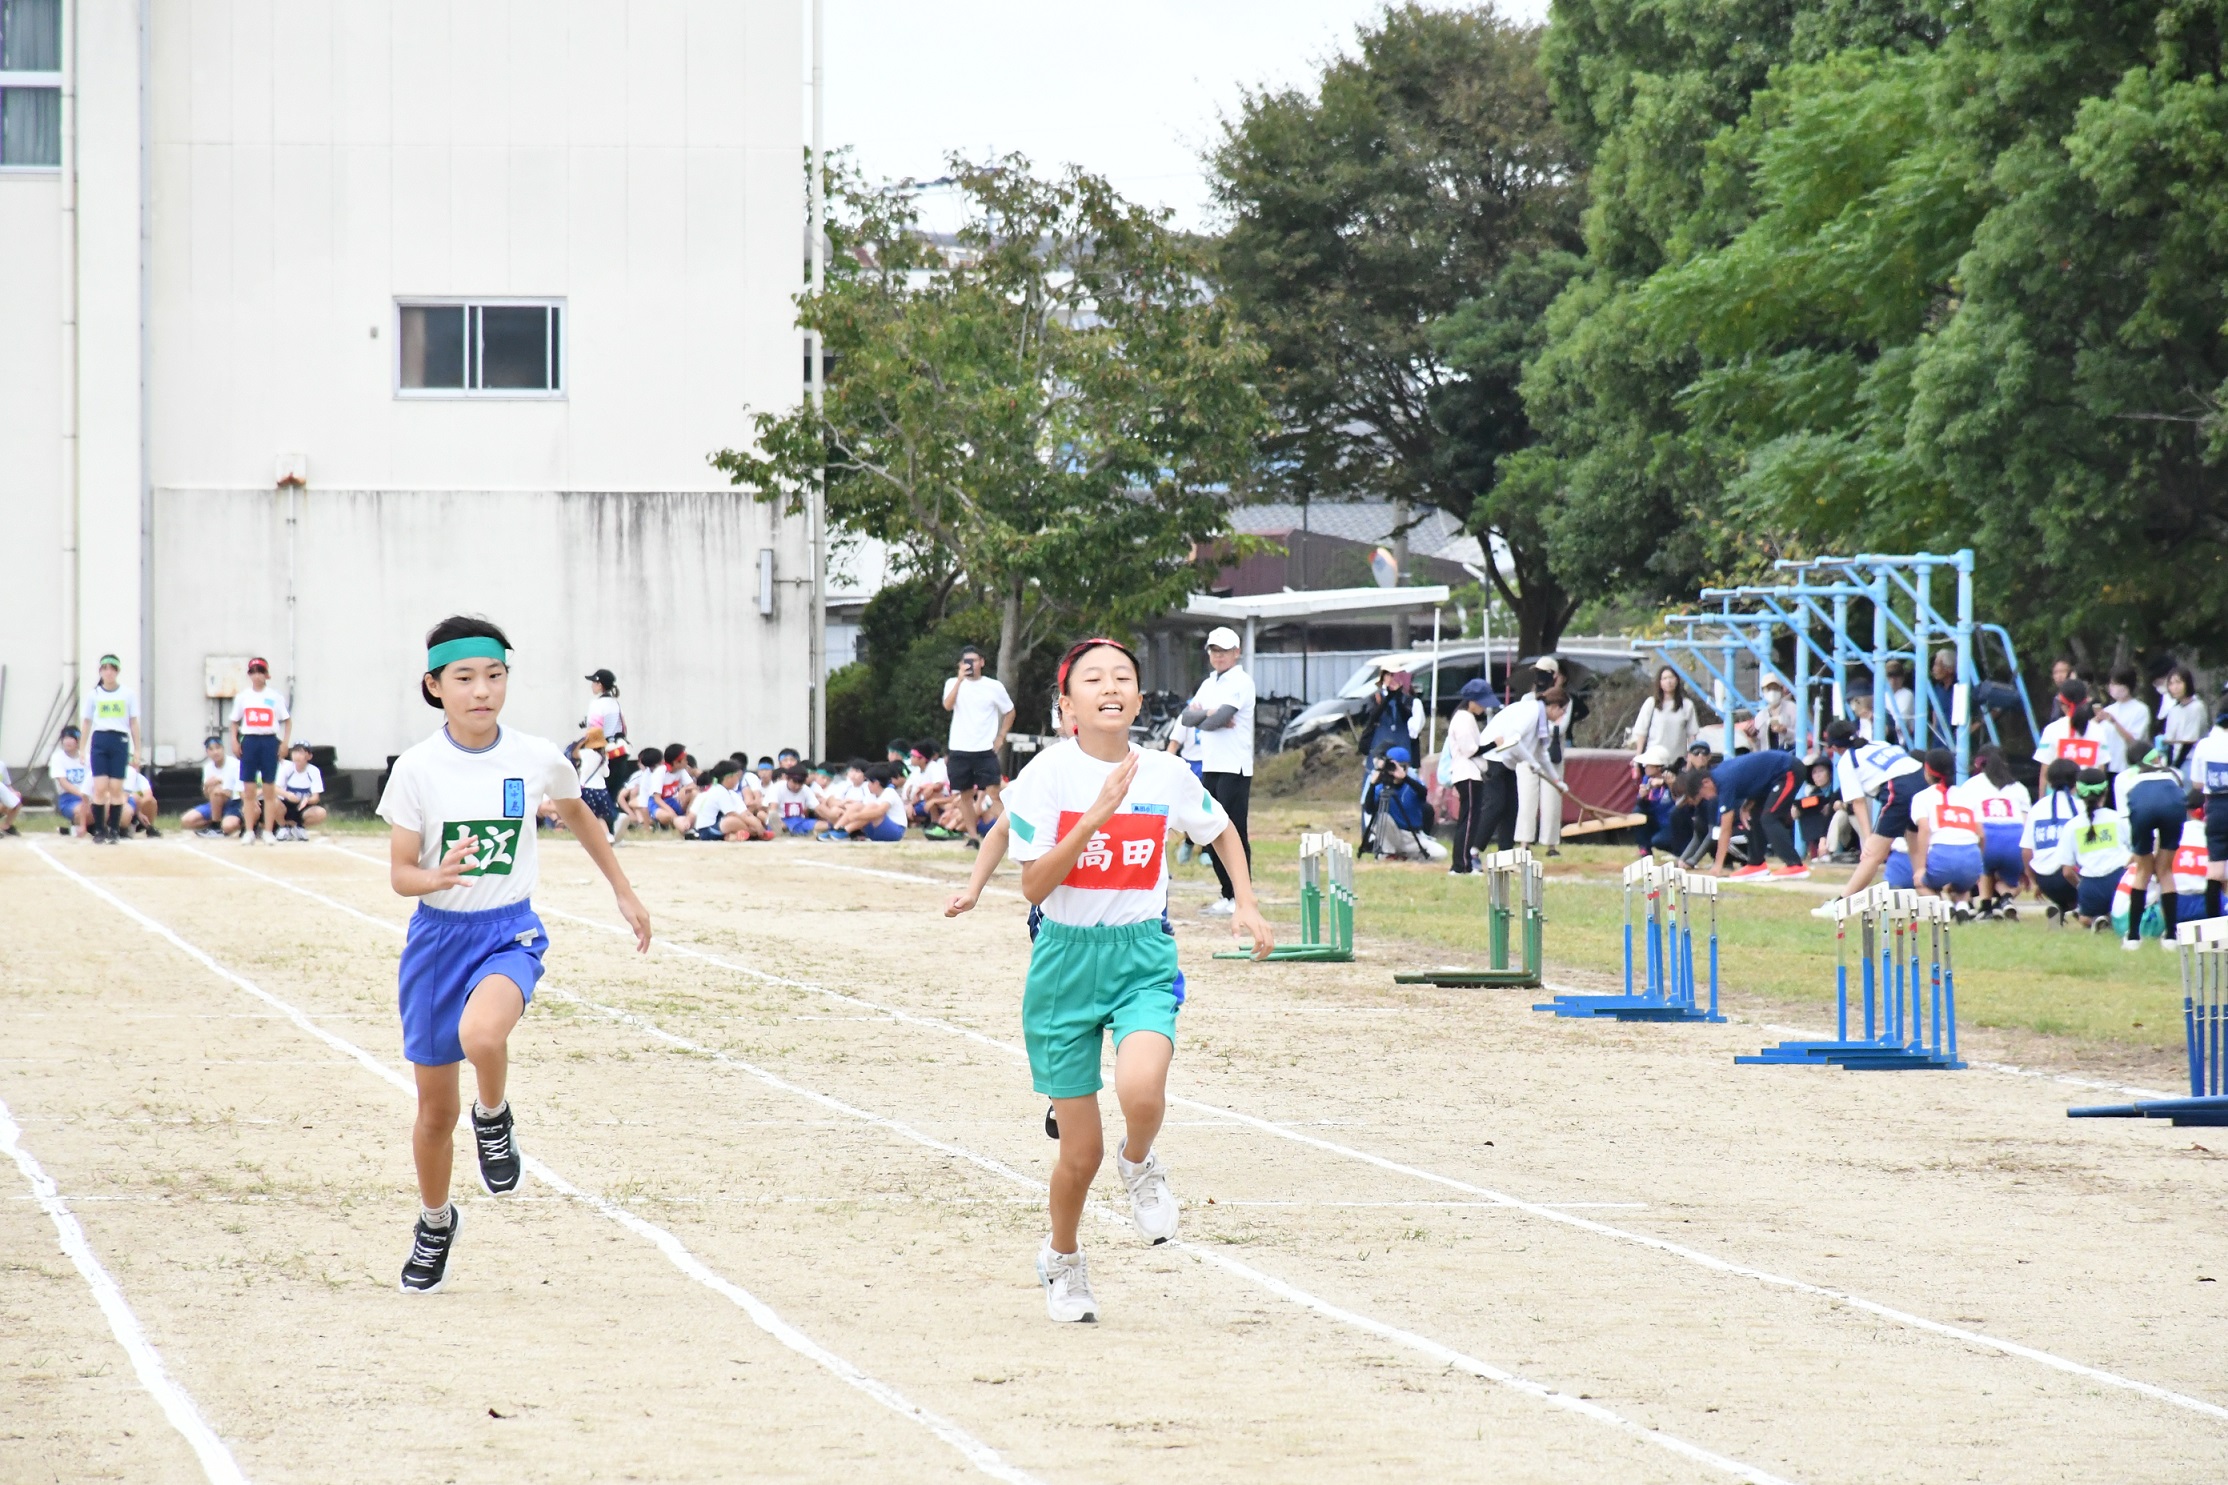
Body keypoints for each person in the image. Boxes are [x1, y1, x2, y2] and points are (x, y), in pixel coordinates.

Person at [998, 638, 1270, 1323]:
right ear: (1068, 706)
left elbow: (1221, 828)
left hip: (1140, 954)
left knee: (1141, 1089)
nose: (1110, 685)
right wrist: (1094, 815)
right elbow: (1033, 881)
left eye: (1123, 676)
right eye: (1093, 678)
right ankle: (1062, 1258)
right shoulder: (1046, 775)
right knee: (1078, 1153)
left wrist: (1245, 900)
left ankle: (1141, 1160)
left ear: (1139, 700)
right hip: (1063, 962)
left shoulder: (1166, 774)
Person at [379, 615, 650, 1295]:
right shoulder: (416, 769)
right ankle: (436, 1220)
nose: (481, 691)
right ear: (434, 685)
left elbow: (580, 813)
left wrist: (623, 890)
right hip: (437, 943)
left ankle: (494, 1116)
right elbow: (401, 873)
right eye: (464, 678)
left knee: (483, 1033)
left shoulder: (534, 756)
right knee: (433, 1113)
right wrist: (434, 877)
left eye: (494, 676)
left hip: (508, 932)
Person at [1182, 627, 1257, 918]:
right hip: (1211, 765)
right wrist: (1210, 715)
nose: (1218, 656)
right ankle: (1226, 893)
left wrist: (1210, 716)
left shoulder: (1241, 681)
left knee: (1235, 832)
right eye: (1214, 651)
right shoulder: (1209, 682)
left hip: (1234, 767)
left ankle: (1241, 896)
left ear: (1237, 653)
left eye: (1224, 651)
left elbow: (1219, 720)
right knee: (1212, 830)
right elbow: (1187, 718)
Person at [1818, 719, 1927, 902]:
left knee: (1873, 854)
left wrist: (1867, 837)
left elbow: (1858, 802)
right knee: (1914, 843)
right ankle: (1925, 890)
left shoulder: (1847, 761)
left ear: (1835, 747)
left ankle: (1842, 901)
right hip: (1921, 781)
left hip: (1898, 788)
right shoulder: (1879, 744)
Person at [1476, 685, 1569, 853]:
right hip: (1494, 757)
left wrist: (1556, 781)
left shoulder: (1542, 721)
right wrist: (1531, 761)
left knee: (1511, 808)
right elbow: (1513, 741)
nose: (1563, 714)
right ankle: (1473, 850)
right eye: (1563, 710)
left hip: (1508, 762)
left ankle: (1506, 853)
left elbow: (1542, 754)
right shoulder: (1532, 712)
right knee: (1495, 805)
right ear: (1554, 706)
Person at [942, 645, 1016, 849]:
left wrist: (1001, 736)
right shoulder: (952, 683)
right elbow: (947, 705)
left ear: (982, 662)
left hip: (984, 749)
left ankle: (1013, 835)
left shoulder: (993, 686)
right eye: (966, 661)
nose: (970, 665)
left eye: (974, 660)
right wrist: (959, 679)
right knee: (965, 794)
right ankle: (973, 837)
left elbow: (1010, 711)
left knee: (994, 791)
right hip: (959, 747)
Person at [2114, 747, 2188, 950]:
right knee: (2165, 871)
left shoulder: (2124, 778)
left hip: (2141, 808)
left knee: (2143, 872)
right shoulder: (2174, 773)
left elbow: (2126, 814)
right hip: (2173, 806)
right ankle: (2171, 936)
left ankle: (2133, 937)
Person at [1696, 747, 1808, 878]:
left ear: (1706, 782)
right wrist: (1747, 804)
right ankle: (1756, 864)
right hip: (1770, 779)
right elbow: (1753, 778)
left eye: (1703, 794)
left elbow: (1725, 828)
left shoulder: (1723, 781)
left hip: (1788, 770)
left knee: (1769, 818)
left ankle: (1795, 865)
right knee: (1752, 816)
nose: (1707, 798)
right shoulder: (1719, 776)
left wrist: (1718, 865)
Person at [1909, 749, 1983, 918]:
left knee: (1920, 883)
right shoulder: (1968, 795)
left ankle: (1943, 905)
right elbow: (1981, 834)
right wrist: (1978, 862)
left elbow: (1925, 830)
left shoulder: (1921, 798)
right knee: (1962, 886)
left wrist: (1920, 868)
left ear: (1927, 771)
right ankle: (1963, 905)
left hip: (1941, 855)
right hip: (1971, 856)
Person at [1961, 744, 2031, 919]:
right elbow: (2026, 822)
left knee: (1984, 867)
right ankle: (2005, 900)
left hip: (1987, 834)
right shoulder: (2019, 787)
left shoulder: (1970, 785)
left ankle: (1985, 908)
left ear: (1979, 763)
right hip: (2016, 838)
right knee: (2009, 879)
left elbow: (1965, 819)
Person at [80, 655, 142, 845]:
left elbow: (133, 722)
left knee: (116, 788)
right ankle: (99, 829)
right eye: (105, 668)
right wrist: (82, 748)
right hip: (100, 739)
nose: (108, 672)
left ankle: (114, 829)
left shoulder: (127, 694)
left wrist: (137, 749)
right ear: (101, 671)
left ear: (117, 671)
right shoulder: (94, 695)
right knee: (99, 787)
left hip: (119, 740)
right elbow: (87, 722)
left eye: (112, 669)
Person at [230, 658, 292, 845]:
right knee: (249, 789)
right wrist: (234, 741)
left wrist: (284, 743)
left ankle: (268, 831)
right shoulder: (243, 697)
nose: (257, 675)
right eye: (253, 671)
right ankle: (249, 830)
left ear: (266, 674)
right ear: (249, 675)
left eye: (260, 671)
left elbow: (286, 720)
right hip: (249, 741)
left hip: (268, 741)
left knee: (269, 788)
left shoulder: (274, 697)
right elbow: (234, 721)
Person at [2066, 768, 2130, 932]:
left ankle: (2096, 919)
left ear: (2078, 792)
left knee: (2084, 918)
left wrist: (2081, 887)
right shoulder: (2117, 819)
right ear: (2106, 791)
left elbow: (2066, 871)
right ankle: (2110, 916)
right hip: (2119, 881)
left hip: (2090, 885)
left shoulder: (2072, 826)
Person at [2022, 759, 2084, 922]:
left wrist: (2035, 882)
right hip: (2073, 878)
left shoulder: (2037, 808)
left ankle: (2060, 907)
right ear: (2077, 782)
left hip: (2045, 880)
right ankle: (2080, 908)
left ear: (2049, 782)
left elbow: (2026, 852)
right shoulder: (2082, 807)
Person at [1444, 678, 1493, 873]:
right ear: (1473, 700)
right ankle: (1461, 866)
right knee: (1469, 821)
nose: (1484, 708)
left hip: (1469, 774)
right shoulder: (1464, 718)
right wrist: (1495, 745)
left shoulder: (1464, 717)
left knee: (1469, 820)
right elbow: (1470, 750)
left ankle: (1462, 863)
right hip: (1467, 774)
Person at [1365, 749, 1440, 861]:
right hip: (1392, 835)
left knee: (1440, 853)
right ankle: (1391, 854)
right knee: (1382, 817)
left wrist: (1405, 777)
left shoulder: (1412, 784)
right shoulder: (1381, 787)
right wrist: (1372, 784)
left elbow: (1423, 793)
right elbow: (1369, 809)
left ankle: (1403, 856)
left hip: (1411, 836)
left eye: (1397, 766)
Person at [2191, 703, 2228, 923]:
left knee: (2214, 867)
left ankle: (2212, 925)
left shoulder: (2205, 745)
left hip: (2215, 807)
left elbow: (2196, 782)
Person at [2032, 679, 2108, 770]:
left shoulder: (2052, 730)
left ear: (2062, 704)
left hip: (2061, 784)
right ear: (2086, 701)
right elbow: (2101, 768)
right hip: (2090, 783)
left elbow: (2045, 769)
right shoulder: (2098, 730)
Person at [1626, 666, 1699, 761]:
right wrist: (1638, 758)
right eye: (1664, 678)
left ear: (1677, 680)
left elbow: (1692, 734)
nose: (1668, 681)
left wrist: (1691, 760)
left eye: (1671, 677)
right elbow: (1641, 732)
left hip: (1678, 761)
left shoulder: (1687, 705)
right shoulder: (1651, 703)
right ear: (1659, 682)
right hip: (1653, 761)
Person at [180, 737, 243, 837]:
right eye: (211, 749)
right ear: (207, 752)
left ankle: (217, 826)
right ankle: (215, 821)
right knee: (187, 821)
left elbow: (239, 792)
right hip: (215, 804)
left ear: (223, 749)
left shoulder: (235, 765)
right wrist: (207, 785)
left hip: (234, 803)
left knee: (228, 825)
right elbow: (206, 794)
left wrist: (222, 790)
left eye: (218, 748)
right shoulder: (208, 767)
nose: (215, 752)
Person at [2099, 666, 2153, 775]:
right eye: (2111, 684)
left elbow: (2134, 741)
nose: (2112, 687)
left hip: (2128, 767)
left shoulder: (2140, 709)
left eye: (2116, 684)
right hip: (2108, 766)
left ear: (2127, 686)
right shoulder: (2109, 709)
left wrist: (2114, 722)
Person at [581, 669, 629, 792]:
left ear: (599, 684)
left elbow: (595, 730)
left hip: (604, 753)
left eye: (593, 683)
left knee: (602, 790)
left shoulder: (596, 704)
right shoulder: (615, 703)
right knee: (614, 791)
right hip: (620, 751)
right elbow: (623, 727)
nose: (592, 685)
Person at [686, 759, 757, 841]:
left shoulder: (718, 790)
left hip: (707, 829)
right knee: (731, 821)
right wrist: (748, 827)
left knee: (731, 823)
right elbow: (732, 814)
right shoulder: (720, 792)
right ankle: (751, 834)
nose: (738, 779)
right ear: (728, 778)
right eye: (736, 776)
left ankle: (733, 837)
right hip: (708, 830)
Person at [2158, 665, 2207, 776]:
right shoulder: (2174, 710)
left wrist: (2176, 767)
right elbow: (2170, 740)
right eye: (2171, 684)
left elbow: (2189, 742)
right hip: (2175, 760)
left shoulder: (2197, 707)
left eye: (2178, 683)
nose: (2174, 687)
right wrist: (2170, 765)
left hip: (2191, 760)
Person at [572, 725, 618, 842]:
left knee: (585, 815)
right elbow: (606, 774)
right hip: (601, 789)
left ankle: (588, 838)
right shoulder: (603, 756)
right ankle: (607, 835)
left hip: (587, 789)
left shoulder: (585, 754)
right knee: (599, 816)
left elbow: (573, 754)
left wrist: (581, 741)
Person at [45, 726, 92, 837]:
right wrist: (83, 795)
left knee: (103, 809)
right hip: (69, 798)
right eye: (65, 738)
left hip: (88, 796)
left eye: (71, 738)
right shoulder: (57, 758)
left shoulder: (87, 758)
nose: (67, 741)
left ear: (78, 741)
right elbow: (63, 783)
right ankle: (82, 827)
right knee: (83, 811)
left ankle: (73, 830)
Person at [276, 741, 327, 838]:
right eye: (295, 752)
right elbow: (275, 788)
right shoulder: (286, 768)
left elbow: (316, 797)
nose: (297, 756)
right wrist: (287, 795)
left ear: (309, 756)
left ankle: (298, 828)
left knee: (321, 812)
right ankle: (283, 827)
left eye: (301, 753)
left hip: (303, 806)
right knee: (273, 802)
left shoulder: (313, 771)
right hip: (286, 804)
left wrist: (307, 799)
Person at [766, 765, 822, 834]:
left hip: (799, 821)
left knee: (823, 825)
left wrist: (832, 818)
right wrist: (780, 823)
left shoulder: (806, 789)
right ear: (787, 778)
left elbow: (818, 808)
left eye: (800, 783)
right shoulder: (776, 787)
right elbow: (773, 810)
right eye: (795, 782)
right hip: (781, 819)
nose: (797, 786)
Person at [121, 762, 161, 837]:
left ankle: (147, 826)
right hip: (123, 805)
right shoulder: (117, 779)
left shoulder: (140, 779)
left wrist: (138, 809)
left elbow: (147, 795)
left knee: (151, 801)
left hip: (135, 806)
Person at [0, 758, 19, 837]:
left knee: (17, 799)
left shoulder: (1, 765)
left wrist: (14, 793)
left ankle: (6, 827)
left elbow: (7, 785)